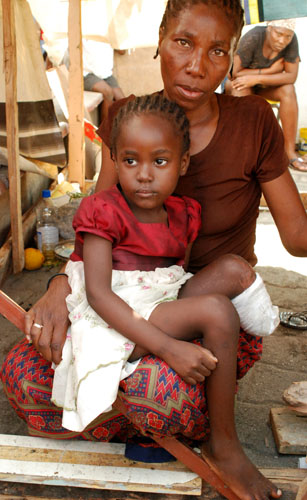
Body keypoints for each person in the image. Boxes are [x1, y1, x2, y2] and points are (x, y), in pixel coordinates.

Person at [3, 0, 307, 496]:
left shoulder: (252, 121)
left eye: (217, 51)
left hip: (208, 321)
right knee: (22, 370)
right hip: (121, 301)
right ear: (161, 38)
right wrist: (61, 285)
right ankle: (141, 418)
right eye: (183, 42)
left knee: (156, 393)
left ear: (232, 58)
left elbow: (296, 237)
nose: (195, 65)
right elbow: (95, 226)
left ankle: (186, 428)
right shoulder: (126, 117)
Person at [52, 95, 278, 439]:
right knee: (217, 311)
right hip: (110, 310)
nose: (144, 175)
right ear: (114, 159)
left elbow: (173, 278)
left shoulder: (184, 213)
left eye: (160, 161)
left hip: (155, 298)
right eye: (130, 160)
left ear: (182, 163)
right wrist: (169, 347)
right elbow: (98, 295)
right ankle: (224, 443)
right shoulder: (103, 211)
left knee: (232, 267)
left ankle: (256, 330)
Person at [225, 18, 307, 172]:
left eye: (287, 36)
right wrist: (270, 71)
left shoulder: (291, 40)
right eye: (279, 34)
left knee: (288, 90)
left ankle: (289, 152)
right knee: (239, 89)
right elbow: (233, 73)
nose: (283, 40)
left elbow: (291, 76)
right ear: (269, 28)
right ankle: (246, 153)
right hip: (239, 84)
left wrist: (257, 77)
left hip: (263, 86)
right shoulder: (254, 37)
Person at [63, 39, 125, 104]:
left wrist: (113, 38)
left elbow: (122, 52)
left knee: (123, 101)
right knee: (108, 92)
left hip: (105, 74)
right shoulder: (83, 31)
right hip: (86, 74)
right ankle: (107, 114)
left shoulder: (109, 33)